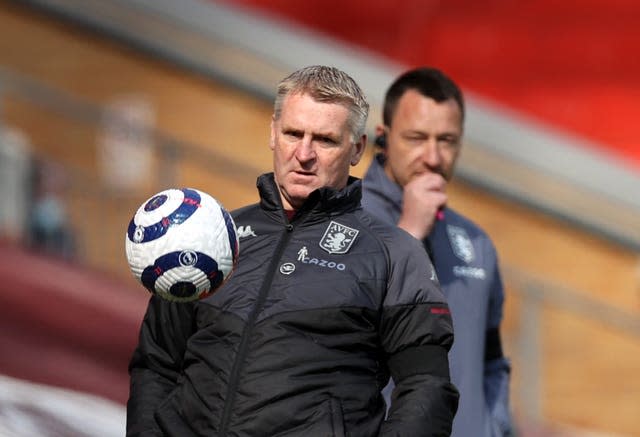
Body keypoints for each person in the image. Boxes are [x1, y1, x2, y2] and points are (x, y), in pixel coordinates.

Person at [127, 65, 459, 436]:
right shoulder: (211, 237)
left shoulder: (395, 254)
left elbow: (427, 389)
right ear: (273, 132)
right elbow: (155, 366)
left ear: (357, 148)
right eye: (293, 133)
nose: (304, 153)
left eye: (325, 140)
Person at [361, 67, 514, 436]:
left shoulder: (476, 243)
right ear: (382, 138)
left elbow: (492, 362)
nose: (432, 157)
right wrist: (409, 233)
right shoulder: (343, 219)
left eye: (446, 140)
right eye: (416, 138)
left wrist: (492, 428)